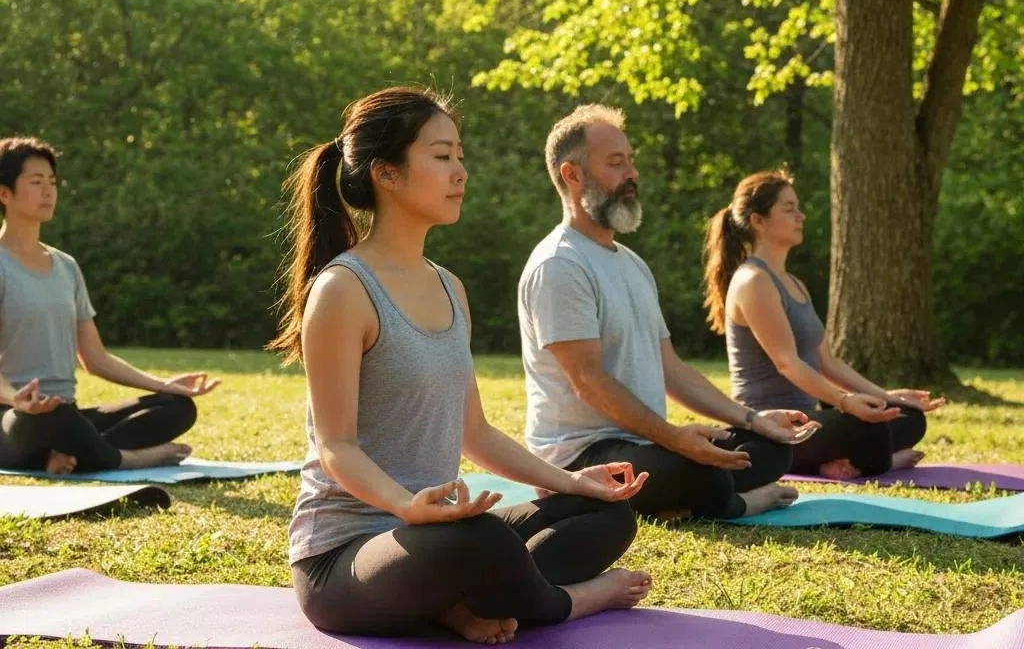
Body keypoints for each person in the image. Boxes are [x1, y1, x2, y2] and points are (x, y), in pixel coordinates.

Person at [272, 87, 652, 646]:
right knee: (483, 543)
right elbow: (336, 446)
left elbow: (474, 432)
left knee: (603, 515)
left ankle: (458, 604)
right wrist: (407, 507)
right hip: (345, 558)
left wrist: (570, 481)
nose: (461, 172)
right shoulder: (343, 290)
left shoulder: (450, 287)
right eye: (442, 155)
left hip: (437, 534)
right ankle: (569, 602)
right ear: (387, 173)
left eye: (460, 155)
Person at [518, 105, 818, 524]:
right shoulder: (560, 265)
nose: (632, 174)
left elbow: (670, 368)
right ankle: (738, 502)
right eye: (615, 163)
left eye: (631, 161)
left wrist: (752, 419)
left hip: (641, 443)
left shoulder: (632, 264)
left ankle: (687, 496)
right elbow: (590, 384)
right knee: (703, 475)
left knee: (771, 447)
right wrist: (677, 441)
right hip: (582, 456)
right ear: (572, 175)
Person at [703, 169, 943, 480]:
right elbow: (787, 363)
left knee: (909, 417)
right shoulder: (753, 281)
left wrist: (885, 397)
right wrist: (845, 401)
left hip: (811, 420)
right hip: (771, 427)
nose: (800, 216)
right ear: (758, 221)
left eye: (798, 208)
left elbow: (826, 362)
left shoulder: (795, 284)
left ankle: (847, 459)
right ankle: (878, 461)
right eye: (789, 209)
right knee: (868, 429)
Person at [0, 136, 218, 475]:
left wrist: (163, 385)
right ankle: (127, 459)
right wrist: (16, 398)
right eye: (36, 182)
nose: (48, 191)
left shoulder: (66, 267)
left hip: (67, 415)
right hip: (15, 416)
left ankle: (68, 455)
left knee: (177, 408)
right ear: (4, 193)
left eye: (53, 183)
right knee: (38, 421)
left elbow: (95, 358)